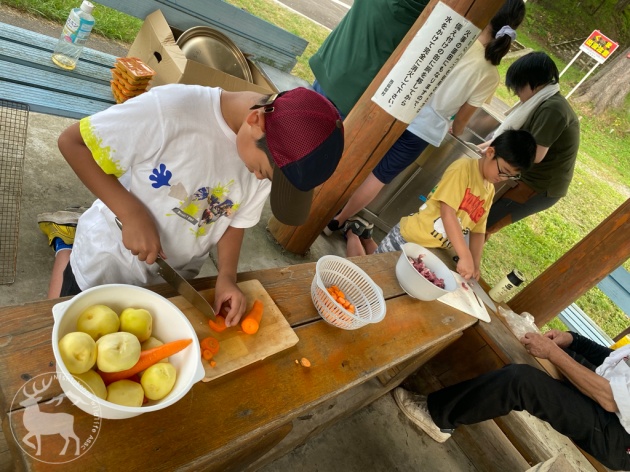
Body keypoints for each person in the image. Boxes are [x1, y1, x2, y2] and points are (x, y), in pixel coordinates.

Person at [37, 85, 344, 326]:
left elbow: (234, 220)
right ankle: (66, 244)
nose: (258, 178)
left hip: (171, 279)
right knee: (63, 323)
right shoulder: (171, 110)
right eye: (262, 172)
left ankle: (66, 242)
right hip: (108, 260)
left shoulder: (272, 156)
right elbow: (72, 143)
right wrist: (131, 212)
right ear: (256, 120)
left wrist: (226, 277)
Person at [317, 0, 526, 236]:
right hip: (423, 131)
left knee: (353, 155)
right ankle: (337, 220)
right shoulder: (489, 74)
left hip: (398, 107)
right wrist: (456, 132)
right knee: (379, 177)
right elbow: (461, 120)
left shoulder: (453, 38)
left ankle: (318, 200)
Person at [393, 329, 630, 471]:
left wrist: (551, 352)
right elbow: (617, 360)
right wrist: (572, 340)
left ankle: (439, 418)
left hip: (619, 438)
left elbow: (610, 398)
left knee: (521, 381)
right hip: (613, 396)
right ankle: (472, 389)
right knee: (561, 353)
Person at [346, 129, 536, 280]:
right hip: (409, 238)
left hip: (427, 251)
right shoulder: (463, 169)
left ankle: (364, 235)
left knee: (388, 275)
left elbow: (478, 231)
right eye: (503, 171)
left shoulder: (489, 190)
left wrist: (475, 263)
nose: (503, 178)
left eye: (511, 176)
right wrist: (465, 255)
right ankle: (352, 233)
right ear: (491, 152)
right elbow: (448, 213)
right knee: (367, 273)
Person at [483, 51, 580, 236]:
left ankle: (463, 262)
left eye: (518, 87)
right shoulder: (542, 101)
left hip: (538, 187)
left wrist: (492, 150)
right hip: (525, 178)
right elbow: (512, 139)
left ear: (532, 82)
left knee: (486, 224)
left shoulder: (553, 109)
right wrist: (484, 147)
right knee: (479, 218)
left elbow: (534, 155)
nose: (517, 93)